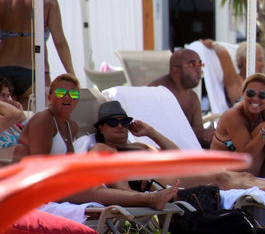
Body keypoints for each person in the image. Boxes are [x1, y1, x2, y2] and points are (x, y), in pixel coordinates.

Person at [91, 100, 265, 203]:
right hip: (156, 183)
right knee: (221, 178)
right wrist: (138, 199)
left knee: (239, 176)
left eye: (124, 122)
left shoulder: (139, 146)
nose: (120, 126)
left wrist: (151, 131)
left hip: (174, 170)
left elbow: (176, 154)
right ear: (101, 128)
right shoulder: (103, 148)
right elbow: (116, 182)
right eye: (113, 122)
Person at [11, 75, 178, 209]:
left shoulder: (71, 126)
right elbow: (38, 164)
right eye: (61, 93)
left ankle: (150, 198)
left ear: (77, 100)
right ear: (50, 97)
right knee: (93, 191)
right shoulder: (44, 119)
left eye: (73, 94)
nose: (67, 97)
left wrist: (151, 132)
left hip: (53, 184)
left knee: (94, 188)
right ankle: (150, 199)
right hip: (29, 186)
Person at [0, 0, 76, 102]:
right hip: (35, 71)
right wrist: (72, 75)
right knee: (35, 115)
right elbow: (60, 42)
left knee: (9, 117)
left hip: (3, 71)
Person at [148, 48, 214, 148]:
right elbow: (162, 131)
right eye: (192, 64)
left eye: (200, 64)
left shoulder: (192, 97)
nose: (199, 70)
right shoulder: (157, 92)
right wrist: (203, 134)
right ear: (176, 70)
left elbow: (199, 133)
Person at [0, 77, 25, 148]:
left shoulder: (11, 123)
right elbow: (15, 114)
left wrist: (22, 117)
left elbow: (31, 138)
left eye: (8, 96)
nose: (7, 100)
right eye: (2, 95)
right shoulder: (10, 118)